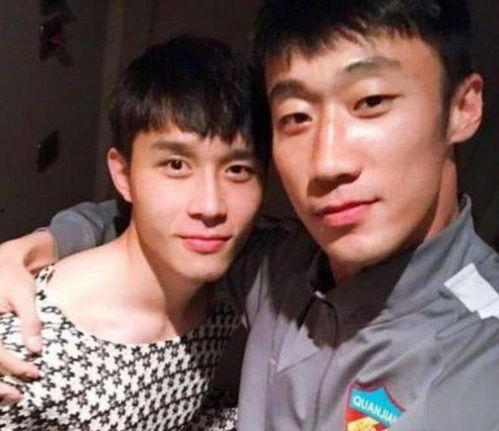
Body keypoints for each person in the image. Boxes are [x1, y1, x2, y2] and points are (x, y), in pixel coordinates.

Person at [1, 0, 499, 429]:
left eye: (370, 101)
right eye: (296, 117)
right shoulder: (276, 264)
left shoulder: (476, 354)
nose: (328, 162)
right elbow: (154, 223)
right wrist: (38, 245)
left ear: (463, 107)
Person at [0, 35, 266, 430]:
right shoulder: (30, 349)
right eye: (176, 165)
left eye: (238, 169)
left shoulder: (231, 286)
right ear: (123, 175)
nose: (210, 206)